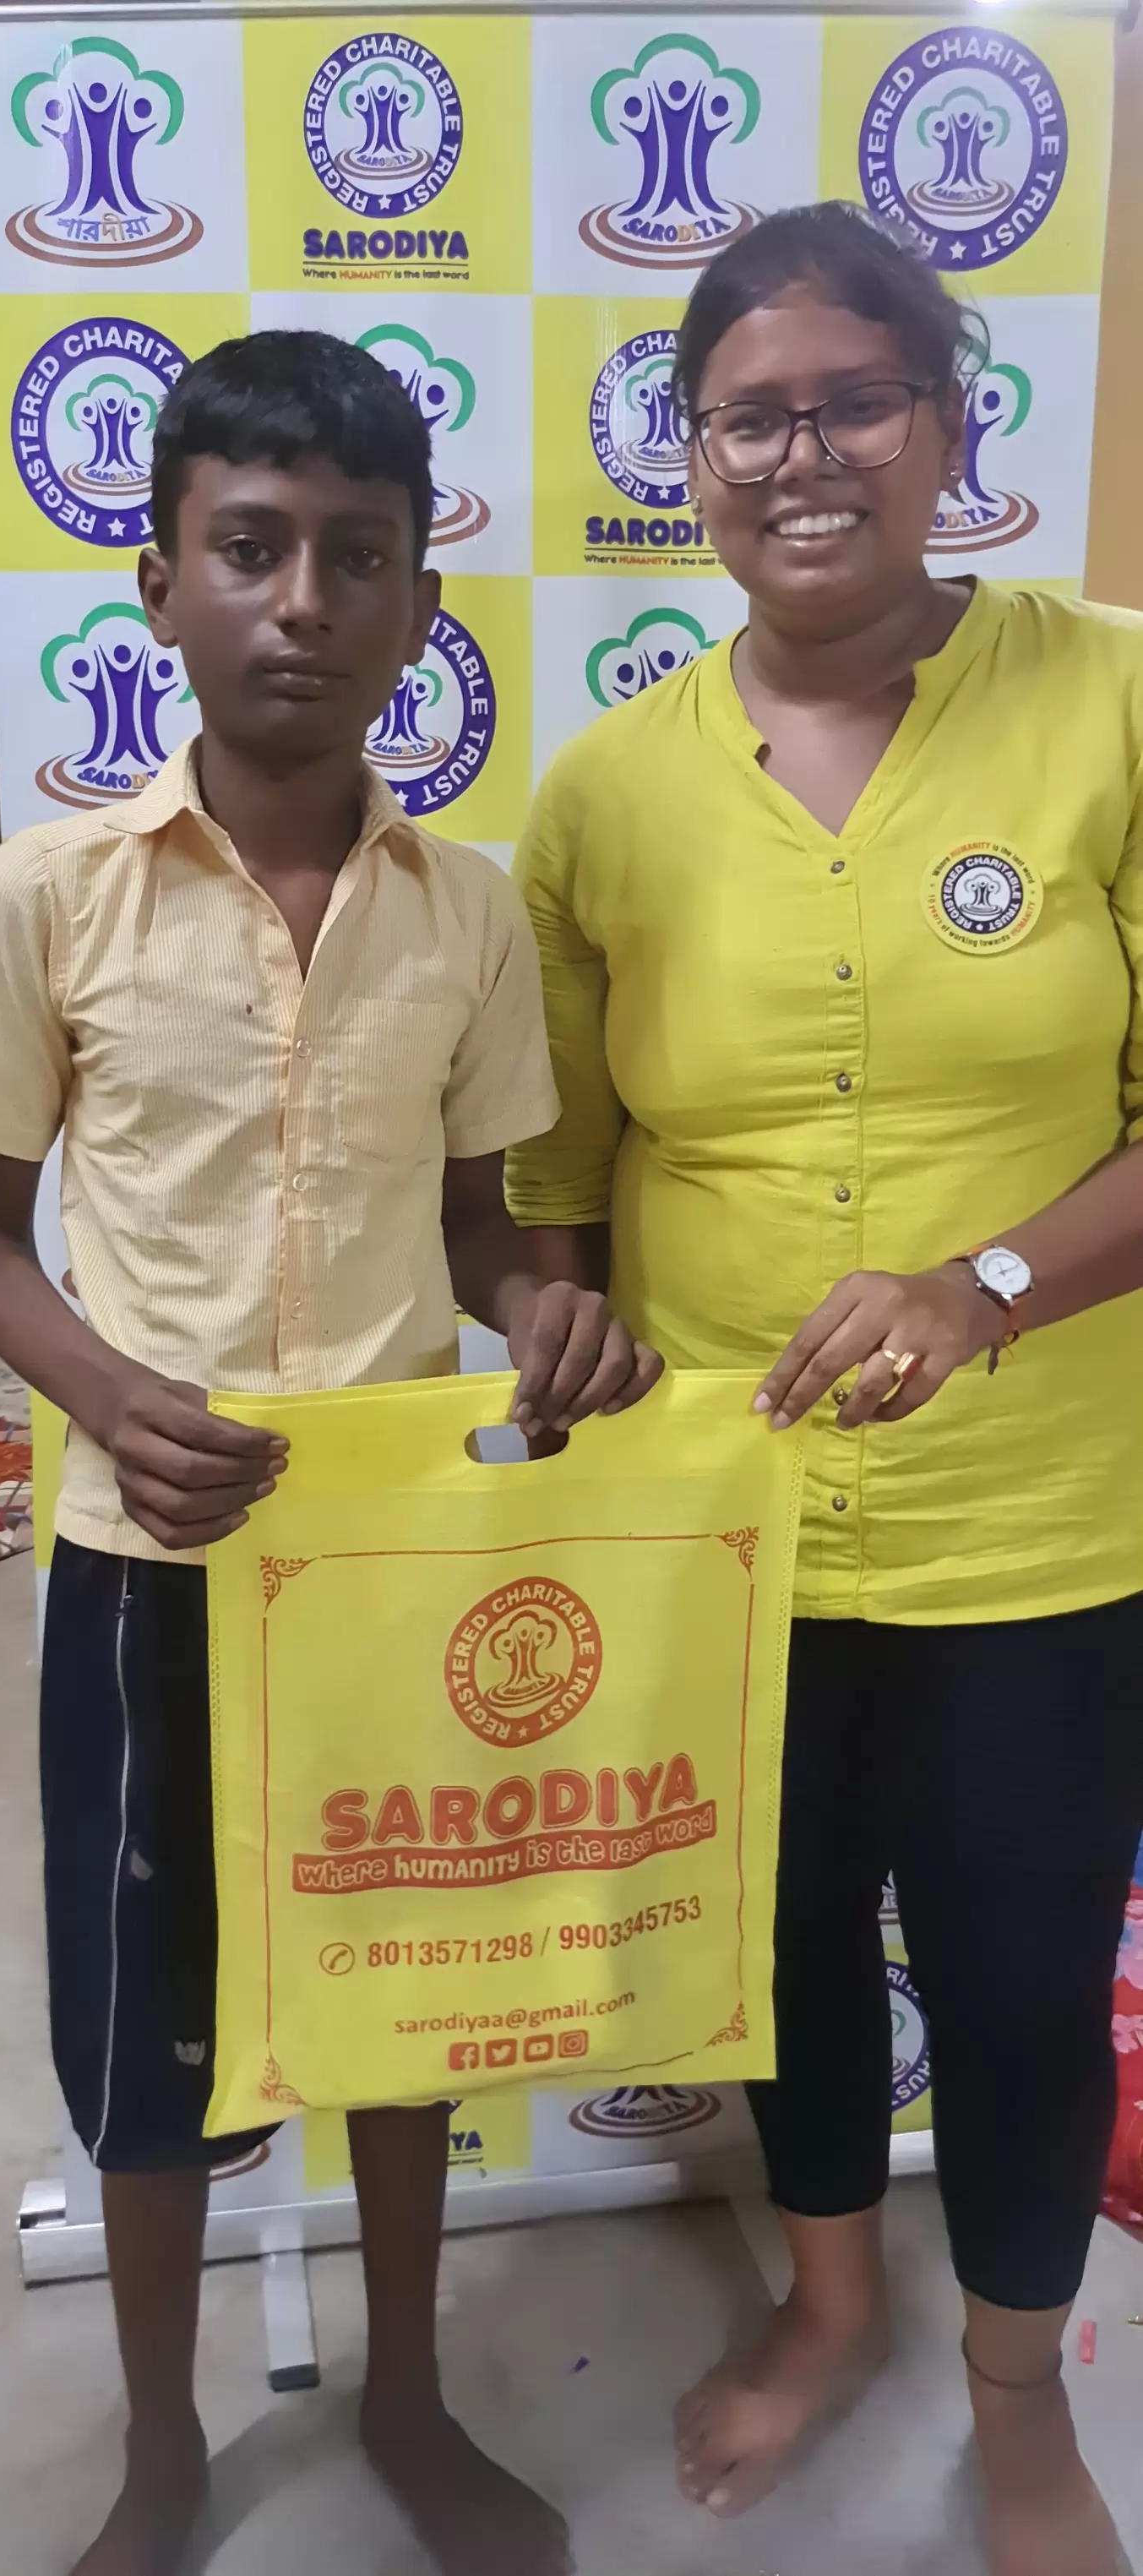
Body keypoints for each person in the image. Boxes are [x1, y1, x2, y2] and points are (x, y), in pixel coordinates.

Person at [0, 328, 661, 2576]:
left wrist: (537, 1309)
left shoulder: (468, 914)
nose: (301, 601)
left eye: (355, 557)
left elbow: (482, 1228)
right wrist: (104, 1397)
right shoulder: (46, 896)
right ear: (157, 582)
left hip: (391, 1566)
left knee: (400, 1995)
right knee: (146, 2034)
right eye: (250, 548)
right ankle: (163, 2442)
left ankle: (406, 2398)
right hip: (144, 1555)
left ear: (418, 603)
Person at [505, 202, 1143, 2576]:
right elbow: (554, 1180)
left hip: (1041, 1522)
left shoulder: (1110, 701)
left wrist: (991, 1281)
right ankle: (827, 2308)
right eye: (746, 417)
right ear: (686, 455)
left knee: (1015, 1980)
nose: (801, 456)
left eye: (853, 403)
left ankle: (1016, 2393)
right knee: (774, 1958)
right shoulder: (605, 794)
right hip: (724, 1526)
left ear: (948, 427)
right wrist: (550, 1319)